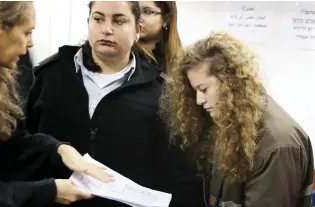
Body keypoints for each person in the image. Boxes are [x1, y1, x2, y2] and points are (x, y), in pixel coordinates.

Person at [25, 1, 204, 207]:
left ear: (138, 30)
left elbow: (179, 171)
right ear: (89, 22)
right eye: (98, 19)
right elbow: (23, 146)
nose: (106, 29)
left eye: (119, 21)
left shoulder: (161, 91)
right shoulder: (50, 75)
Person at [160, 32, 314, 207]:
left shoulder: (277, 143)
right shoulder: (232, 120)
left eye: (203, 89)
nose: (199, 100)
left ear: (230, 82)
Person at [0, 2, 113, 207]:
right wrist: (49, 191)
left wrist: (59, 150)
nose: (31, 43)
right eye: (27, 32)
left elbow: (11, 147)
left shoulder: (0, 82)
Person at [135, 1, 181, 75]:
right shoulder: (125, 56)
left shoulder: (183, 62)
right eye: (134, 11)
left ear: (166, 19)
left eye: (147, 12)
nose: (137, 18)